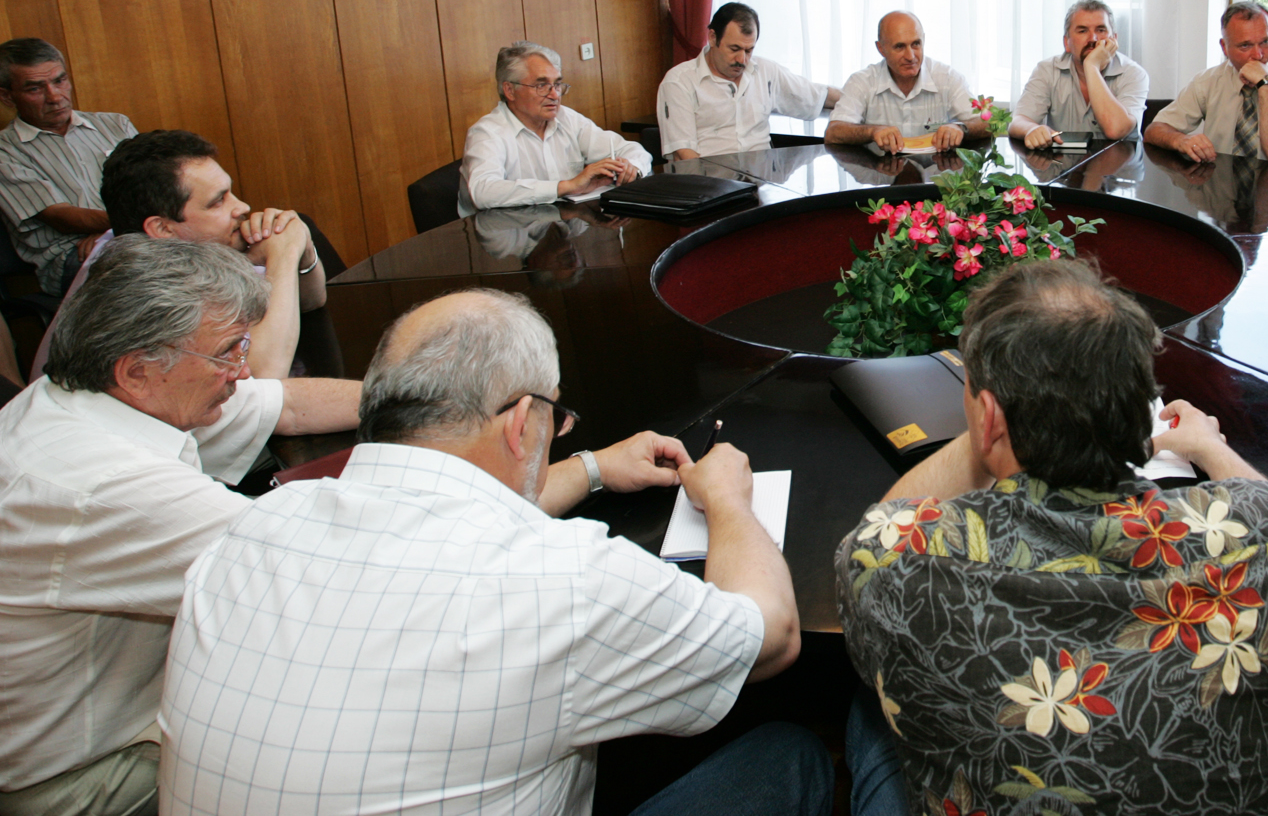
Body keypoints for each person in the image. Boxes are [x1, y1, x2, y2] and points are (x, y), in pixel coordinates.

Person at [160, 288, 827, 816]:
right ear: (520, 423)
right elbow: (770, 635)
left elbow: (441, 506)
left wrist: (591, 467)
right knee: (790, 753)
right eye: (555, 418)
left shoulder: (250, 528)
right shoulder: (562, 578)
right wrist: (727, 500)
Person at [837, 259, 1268, 816]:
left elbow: (885, 527)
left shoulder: (901, 566)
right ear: (1139, 403)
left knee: (869, 715)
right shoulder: (1266, 530)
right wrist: (1209, 447)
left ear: (988, 416)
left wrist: (991, 426)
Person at [0, 237, 360, 816]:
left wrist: (439, 406)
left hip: (121, 702)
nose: (243, 371)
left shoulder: (86, 392)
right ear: (138, 370)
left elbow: (287, 405)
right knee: (344, 736)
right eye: (228, 352)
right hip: (82, 774)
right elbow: (329, 571)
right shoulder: (105, 484)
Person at [22, 130, 328, 384]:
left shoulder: (172, 248)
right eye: (217, 202)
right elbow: (261, 381)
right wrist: (284, 252)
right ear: (162, 228)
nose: (243, 207)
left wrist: (304, 253)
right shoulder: (143, 286)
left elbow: (311, 301)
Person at [0, 37, 136, 295]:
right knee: (144, 267)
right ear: (7, 97)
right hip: (72, 255)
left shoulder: (116, 125)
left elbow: (156, 187)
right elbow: (62, 218)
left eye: (59, 81)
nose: (54, 97)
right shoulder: (5, 151)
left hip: (136, 234)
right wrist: (125, 227)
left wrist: (120, 231)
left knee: (213, 242)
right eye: (35, 89)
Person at [459, 40, 651, 214]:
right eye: (541, 86)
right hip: (505, 235)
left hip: (565, 225)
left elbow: (632, 149)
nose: (554, 95)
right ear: (510, 90)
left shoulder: (567, 118)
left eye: (557, 84)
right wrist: (567, 186)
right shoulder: (487, 132)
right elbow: (483, 191)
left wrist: (631, 167)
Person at [657, 2, 840, 160]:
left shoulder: (765, 72)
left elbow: (817, 95)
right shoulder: (679, 82)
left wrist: (855, 100)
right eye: (734, 49)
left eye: (748, 50)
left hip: (762, 181)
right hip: (710, 181)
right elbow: (683, 155)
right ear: (712, 38)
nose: (742, 60)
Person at [1147, 0, 1268, 164]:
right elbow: (1154, 130)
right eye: (1245, 46)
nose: (1258, 55)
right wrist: (1181, 140)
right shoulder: (1208, 81)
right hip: (1219, 181)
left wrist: (1266, 83)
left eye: (1265, 42)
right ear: (1224, 48)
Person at [826, 12, 988, 153]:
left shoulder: (947, 78)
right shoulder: (861, 82)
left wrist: (960, 128)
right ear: (881, 49)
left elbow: (986, 123)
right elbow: (833, 133)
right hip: (879, 174)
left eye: (916, 44)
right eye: (899, 47)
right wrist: (872, 132)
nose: (910, 56)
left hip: (935, 174)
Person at [1008, 0, 1150, 147]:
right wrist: (1032, 129)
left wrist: (1092, 66)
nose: (1093, 39)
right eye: (1083, 31)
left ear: (1114, 39)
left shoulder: (1134, 74)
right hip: (1063, 160)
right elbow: (1018, 121)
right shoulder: (1047, 70)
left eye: (1101, 30)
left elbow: (1115, 130)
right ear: (1067, 43)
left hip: (1119, 160)